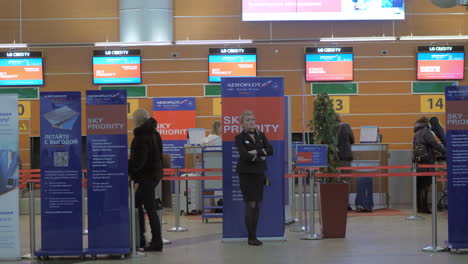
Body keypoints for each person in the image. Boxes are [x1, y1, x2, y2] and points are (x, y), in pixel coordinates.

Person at [235, 110, 273, 246]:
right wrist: (260, 154)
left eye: (252, 119)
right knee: (250, 204)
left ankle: (254, 235)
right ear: (243, 123)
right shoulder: (239, 137)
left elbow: (270, 150)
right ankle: (251, 237)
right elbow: (244, 155)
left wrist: (256, 152)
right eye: (248, 120)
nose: (251, 122)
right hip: (246, 174)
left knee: (257, 204)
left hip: (259, 173)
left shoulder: (261, 135)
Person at [128, 109, 163, 252]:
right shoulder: (155, 133)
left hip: (145, 177)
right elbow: (159, 154)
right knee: (139, 205)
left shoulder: (141, 136)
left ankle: (154, 241)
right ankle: (142, 238)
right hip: (153, 175)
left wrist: (130, 169)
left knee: (147, 208)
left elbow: (139, 160)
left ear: (138, 120)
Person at [413, 116, 446, 214]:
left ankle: (419, 207)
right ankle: (424, 208)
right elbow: (434, 144)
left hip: (418, 163)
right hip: (427, 163)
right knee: (425, 186)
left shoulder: (416, 133)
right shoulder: (426, 132)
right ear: (426, 123)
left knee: (419, 186)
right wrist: (447, 151)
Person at [335, 114, 358, 211]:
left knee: (336, 181)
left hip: (334, 158)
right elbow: (352, 140)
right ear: (340, 119)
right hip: (346, 157)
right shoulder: (346, 126)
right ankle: (345, 203)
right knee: (346, 181)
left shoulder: (328, 129)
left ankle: (337, 203)